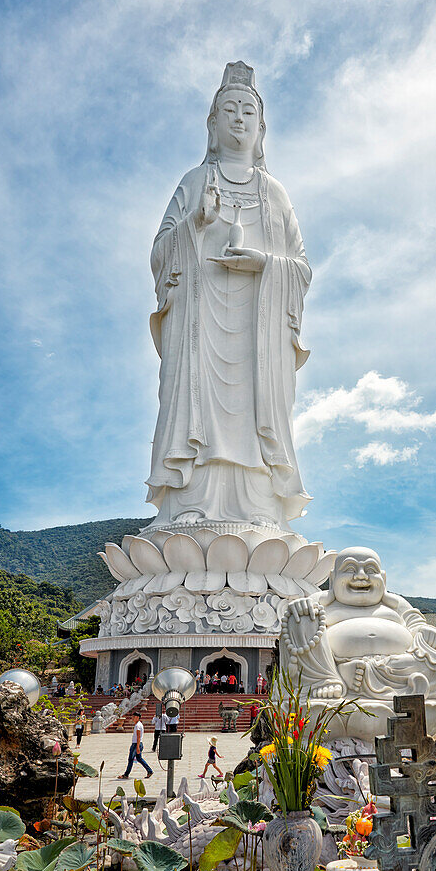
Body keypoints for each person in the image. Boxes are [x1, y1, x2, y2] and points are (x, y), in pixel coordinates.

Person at [144, 60, 311, 531]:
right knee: (200, 409)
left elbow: (300, 267)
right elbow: (160, 253)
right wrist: (194, 226)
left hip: (259, 331)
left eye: (247, 112)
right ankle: (191, 503)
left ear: (261, 127)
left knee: (256, 414)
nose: (239, 119)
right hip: (200, 325)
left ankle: (258, 505)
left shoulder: (275, 193)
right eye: (229, 110)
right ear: (213, 124)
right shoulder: (194, 182)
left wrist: (263, 264)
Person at [118, 710, 154, 780]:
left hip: (136, 744)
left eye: (134, 716)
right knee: (139, 758)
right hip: (137, 744)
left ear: (137, 717)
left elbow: (138, 737)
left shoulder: (138, 725)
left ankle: (126, 774)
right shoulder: (138, 724)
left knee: (131, 759)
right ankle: (149, 771)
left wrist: (137, 747)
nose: (133, 718)